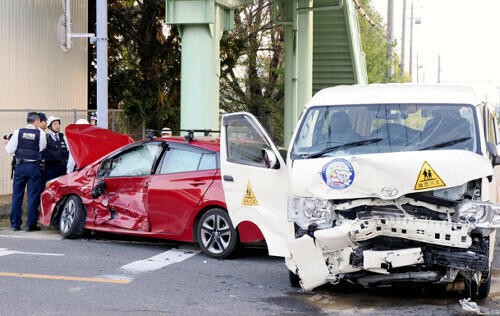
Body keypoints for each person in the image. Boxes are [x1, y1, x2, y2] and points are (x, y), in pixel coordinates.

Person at [4, 112, 47, 231]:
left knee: (17, 196)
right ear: (37, 121)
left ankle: (16, 224)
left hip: (20, 167)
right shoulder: (40, 133)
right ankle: (30, 224)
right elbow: (41, 148)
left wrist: (7, 143)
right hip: (34, 167)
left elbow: (9, 150)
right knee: (32, 196)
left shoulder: (18, 132)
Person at [43, 116, 69, 181]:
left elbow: (68, 150)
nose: (57, 126)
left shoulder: (63, 136)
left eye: (58, 124)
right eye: (55, 124)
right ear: (49, 126)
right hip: (51, 168)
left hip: (63, 167)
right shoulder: (46, 137)